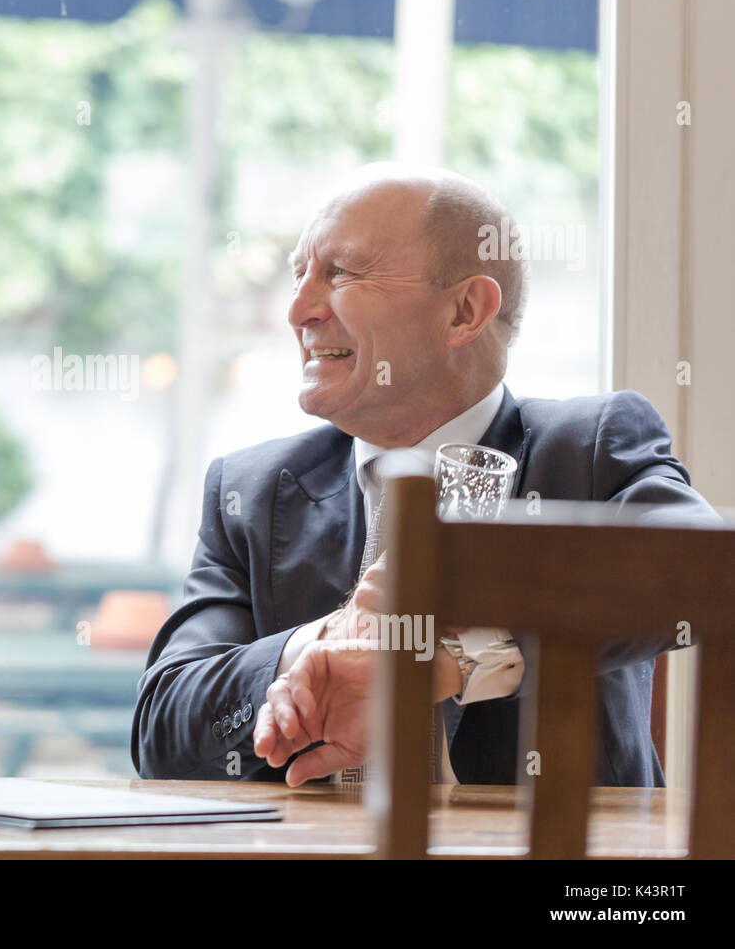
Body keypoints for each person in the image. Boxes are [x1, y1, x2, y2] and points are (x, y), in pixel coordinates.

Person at [132, 163, 721, 787]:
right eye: (300, 273)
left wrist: (450, 657)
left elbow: (706, 572)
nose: (299, 309)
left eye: (341, 273)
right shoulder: (249, 489)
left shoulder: (589, 448)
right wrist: (321, 645)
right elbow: (161, 730)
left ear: (465, 311)